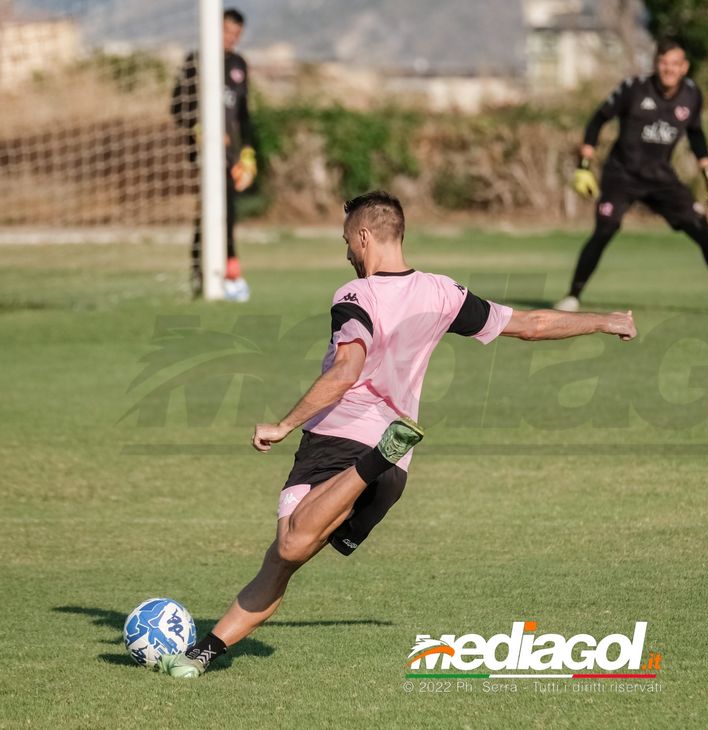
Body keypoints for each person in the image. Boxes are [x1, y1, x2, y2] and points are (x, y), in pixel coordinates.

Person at [156, 190, 637, 678]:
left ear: (364, 236)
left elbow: (346, 370)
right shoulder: (442, 293)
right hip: (393, 473)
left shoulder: (355, 295)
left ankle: (372, 461)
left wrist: (283, 424)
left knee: (289, 545)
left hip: (340, 442)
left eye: (347, 240)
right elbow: (531, 325)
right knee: (281, 560)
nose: (346, 252)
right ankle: (202, 655)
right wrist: (604, 320)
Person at [556, 39, 708, 319]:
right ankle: (572, 297)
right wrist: (583, 166)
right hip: (622, 174)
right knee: (605, 229)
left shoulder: (692, 95)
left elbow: (696, 134)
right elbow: (598, 120)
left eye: (674, 64)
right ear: (656, 64)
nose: (668, 69)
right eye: (663, 63)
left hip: (661, 178)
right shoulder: (633, 89)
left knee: (702, 229)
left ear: (684, 67)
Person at [171, 7, 257, 302]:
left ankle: (213, 273)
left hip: (233, 154)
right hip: (206, 154)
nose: (231, 38)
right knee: (220, 212)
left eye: (236, 34)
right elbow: (177, 107)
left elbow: (243, 114)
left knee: (220, 214)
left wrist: (248, 152)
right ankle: (226, 274)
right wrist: (200, 130)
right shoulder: (196, 62)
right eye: (226, 31)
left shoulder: (239, 64)